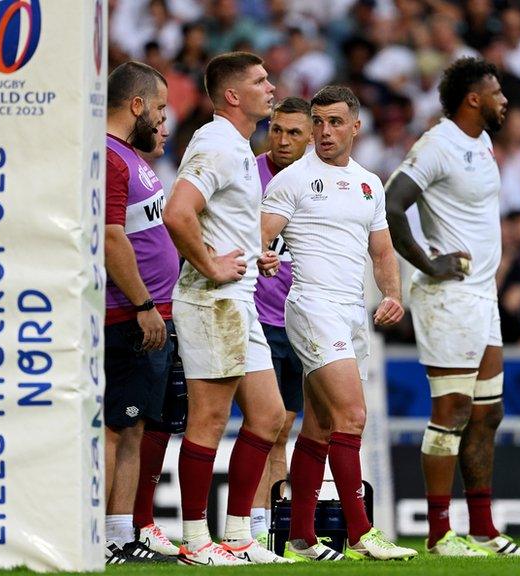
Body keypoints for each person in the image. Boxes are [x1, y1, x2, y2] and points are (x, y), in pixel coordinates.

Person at [260, 85, 417, 562]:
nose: (324, 132)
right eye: (319, 122)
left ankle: (302, 536)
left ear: (355, 127)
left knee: (323, 425)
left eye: (334, 122)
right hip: (311, 307)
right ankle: (362, 531)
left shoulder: (369, 182)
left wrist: (392, 294)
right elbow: (260, 234)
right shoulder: (292, 180)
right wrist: (262, 255)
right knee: (353, 415)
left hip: (351, 311)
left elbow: (382, 250)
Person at [387, 57, 520, 557]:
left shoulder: (483, 143)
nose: (504, 101)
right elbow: (391, 203)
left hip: (481, 298)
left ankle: (483, 529)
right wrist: (427, 264)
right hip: (448, 298)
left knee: (487, 415)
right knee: (451, 410)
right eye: (496, 93)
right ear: (473, 99)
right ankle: (437, 534)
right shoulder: (437, 145)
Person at [161, 51, 290, 565]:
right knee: (209, 419)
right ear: (233, 95)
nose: (271, 87)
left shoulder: (235, 146)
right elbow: (178, 212)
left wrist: (247, 253)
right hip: (212, 300)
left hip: (237, 300)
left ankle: (237, 535)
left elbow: (209, 219)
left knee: (270, 415)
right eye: (261, 81)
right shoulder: (217, 143)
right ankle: (195, 540)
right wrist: (212, 265)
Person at [102, 60, 178, 565]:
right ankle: (100, 538)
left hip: (146, 314)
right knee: (115, 427)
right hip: (128, 316)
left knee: (131, 428)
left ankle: (119, 532)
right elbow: (110, 238)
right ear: (136, 105)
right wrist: (143, 305)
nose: (162, 116)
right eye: (160, 107)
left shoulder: (130, 155)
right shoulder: (110, 158)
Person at [249, 96, 314, 545]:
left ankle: (274, 533)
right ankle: (249, 528)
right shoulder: (246, 174)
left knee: (282, 431)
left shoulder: (319, 182)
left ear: (311, 137)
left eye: (294, 132)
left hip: (301, 322)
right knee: (262, 427)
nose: (283, 140)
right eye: (277, 129)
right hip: (255, 320)